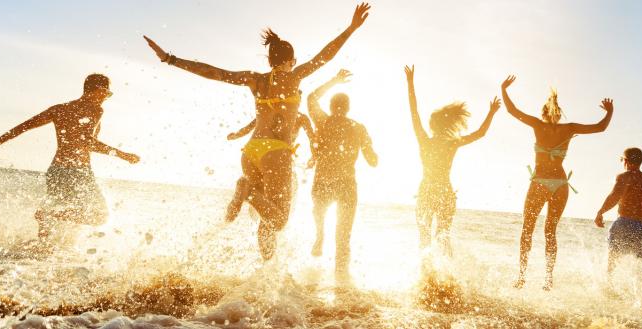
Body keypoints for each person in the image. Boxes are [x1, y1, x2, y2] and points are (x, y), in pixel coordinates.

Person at [143, 3, 371, 261]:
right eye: (294, 61)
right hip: (276, 153)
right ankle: (246, 191)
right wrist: (351, 29)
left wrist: (170, 59)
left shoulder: (255, 79)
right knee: (280, 220)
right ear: (289, 61)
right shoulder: (294, 77)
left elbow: (216, 73)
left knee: (267, 215)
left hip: (251, 152)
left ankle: (265, 268)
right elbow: (325, 55)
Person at [0, 74, 140, 247]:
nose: (106, 98)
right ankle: (45, 219)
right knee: (99, 216)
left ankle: (43, 246)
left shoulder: (59, 109)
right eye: (105, 93)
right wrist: (122, 155)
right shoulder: (95, 110)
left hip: (57, 171)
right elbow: (86, 141)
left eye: (108, 95)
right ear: (93, 90)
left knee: (56, 217)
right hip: (77, 173)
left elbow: (22, 127)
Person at [500, 75, 614, 290]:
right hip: (560, 184)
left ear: (544, 113)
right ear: (559, 114)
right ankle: (548, 280)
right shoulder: (569, 128)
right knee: (550, 231)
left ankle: (522, 277)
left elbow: (512, 111)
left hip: (540, 182)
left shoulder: (537, 124)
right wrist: (610, 111)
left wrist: (503, 89)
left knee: (527, 229)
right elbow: (600, 127)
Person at [404, 65, 500, 257]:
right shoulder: (452, 144)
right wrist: (491, 112)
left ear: (432, 125)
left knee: (424, 236)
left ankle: (426, 276)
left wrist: (410, 83)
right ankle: (449, 278)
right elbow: (480, 133)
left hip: (427, 190)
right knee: (443, 236)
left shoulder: (424, 140)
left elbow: (414, 112)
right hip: (445, 191)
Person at [307, 69, 378, 282]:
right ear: (348, 109)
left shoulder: (324, 121)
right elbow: (373, 161)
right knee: (343, 235)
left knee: (319, 211)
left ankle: (319, 234)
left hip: (323, 180)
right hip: (347, 183)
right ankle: (341, 281)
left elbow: (311, 98)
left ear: (331, 107)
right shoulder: (358, 128)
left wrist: (334, 81)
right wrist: (370, 150)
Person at [594, 147, 642, 273]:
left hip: (625, 224)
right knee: (636, 269)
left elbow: (615, 196)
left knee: (612, 266)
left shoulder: (625, 177)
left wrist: (600, 212)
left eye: (621, 160)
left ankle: (609, 289)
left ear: (626, 161)